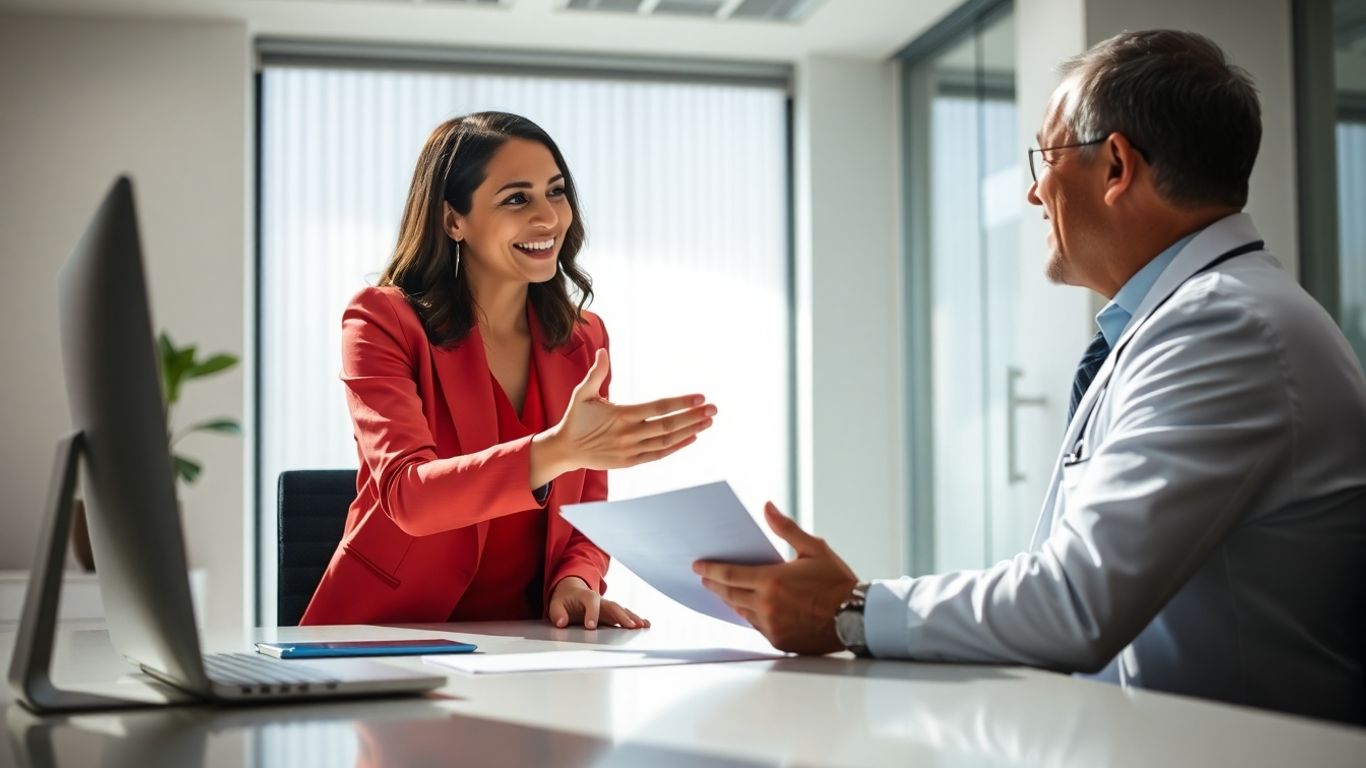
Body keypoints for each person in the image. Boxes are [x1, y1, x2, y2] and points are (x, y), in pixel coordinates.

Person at [695, 30, 1366, 724]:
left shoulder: (1224, 328)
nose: (1033, 191)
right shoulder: (1190, 321)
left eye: (1047, 157)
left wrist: (849, 611)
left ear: (1116, 166)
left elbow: (1075, 601)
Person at [303, 112, 716, 630]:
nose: (549, 218)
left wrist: (577, 580)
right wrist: (557, 449)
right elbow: (409, 497)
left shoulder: (584, 339)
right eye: (517, 199)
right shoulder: (382, 320)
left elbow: (587, 508)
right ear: (454, 220)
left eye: (556, 192)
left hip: (522, 643)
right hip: (384, 635)